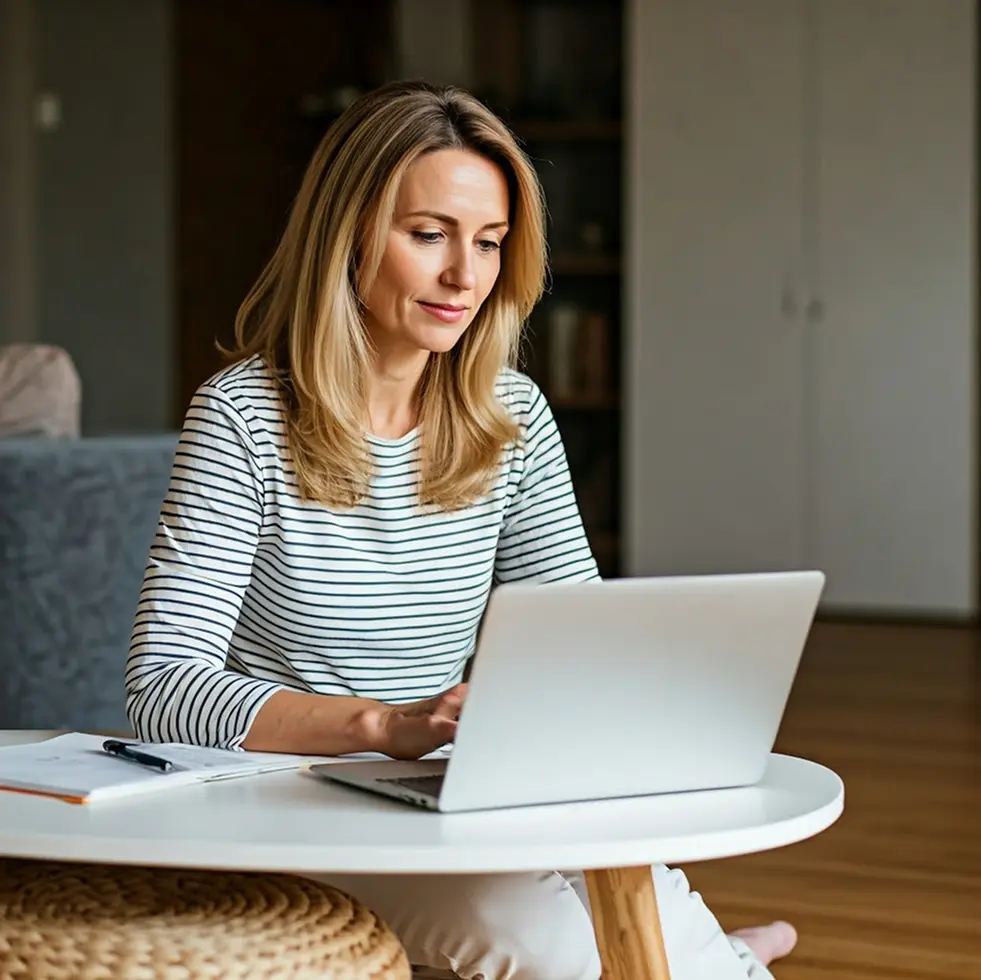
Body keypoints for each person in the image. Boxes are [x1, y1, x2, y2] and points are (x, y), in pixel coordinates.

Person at [125, 79, 798, 980]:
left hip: (453, 787)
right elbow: (163, 690)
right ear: (348, 235)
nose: (464, 277)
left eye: (488, 242)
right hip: (287, 799)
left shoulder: (507, 414)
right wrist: (384, 725)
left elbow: (579, 640)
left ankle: (731, 959)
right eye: (428, 234)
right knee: (555, 943)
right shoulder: (243, 416)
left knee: (644, 905)